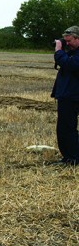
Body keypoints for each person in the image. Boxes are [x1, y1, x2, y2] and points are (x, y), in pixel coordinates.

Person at [51, 25, 79, 166]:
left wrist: (58, 51)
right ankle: (70, 156)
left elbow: (69, 65)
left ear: (77, 38)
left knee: (66, 128)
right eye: (65, 41)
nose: (67, 44)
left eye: (69, 41)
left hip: (72, 95)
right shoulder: (72, 52)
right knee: (65, 127)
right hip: (68, 94)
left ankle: (72, 158)